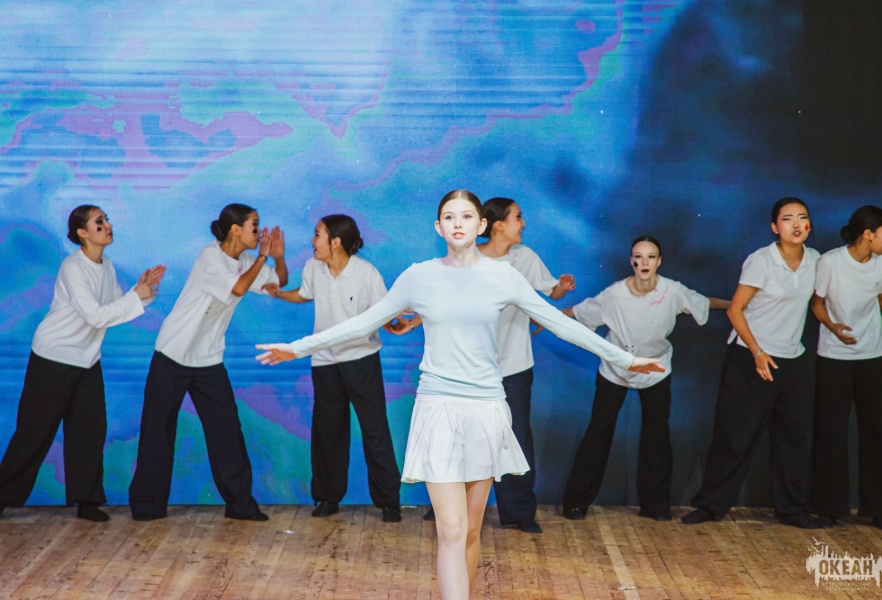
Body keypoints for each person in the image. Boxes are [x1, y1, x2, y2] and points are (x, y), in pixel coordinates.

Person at [256, 189, 664, 600]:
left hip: (486, 411)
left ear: (481, 225)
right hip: (438, 409)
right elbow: (361, 323)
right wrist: (298, 348)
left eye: (466, 216)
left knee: (469, 531)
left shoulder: (504, 276)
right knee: (450, 530)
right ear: (439, 227)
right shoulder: (419, 276)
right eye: (449, 217)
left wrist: (625, 360)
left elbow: (562, 324)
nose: (457, 223)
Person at [413, 197, 575, 533]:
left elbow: (549, 297)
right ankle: (447, 507)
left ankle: (519, 512)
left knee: (514, 438)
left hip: (513, 367)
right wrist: (412, 321)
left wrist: (560, 288)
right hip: (469, 372)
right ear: (497, 225)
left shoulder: (523, 259)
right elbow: (442, 305)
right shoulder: (467, 260)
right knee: (456, 438)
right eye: (518, 217)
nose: (523, 223)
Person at [0, 205, 164, 522]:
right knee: (34, 433)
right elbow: (95, 316)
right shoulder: (72, 268)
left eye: (107, 220)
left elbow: (115, 308)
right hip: (54, 357)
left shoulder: (107, 265)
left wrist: (140, 291)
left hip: (87, 359)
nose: (107, 225)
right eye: (99, 222)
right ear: (82, 233)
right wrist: (135, 296)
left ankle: (87, 500)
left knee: (89, 430)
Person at [129, 203, 287, 522]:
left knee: (227, 430)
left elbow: (277, 283)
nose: (259, 232)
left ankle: (240, 504)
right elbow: (238, 287)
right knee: (158, 430)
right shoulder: (210, 257)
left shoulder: (245, 261)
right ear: (235, 230)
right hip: (173, 353)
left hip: (208, 358)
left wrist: (278, 257)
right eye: (254, 225)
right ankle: (147, 506)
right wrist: (261, 257)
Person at [561, 235, 729, 522]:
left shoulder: (672, 291)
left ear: (659, 261)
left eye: (650, 257)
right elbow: (577, 311)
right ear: (632, 261)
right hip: (615, 369)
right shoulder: (615, 294)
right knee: (599, 432)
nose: (644, 262)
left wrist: (738, 304)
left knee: (656, 436)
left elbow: (704, 302)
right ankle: (576, 503)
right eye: (638, 257)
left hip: (655, 370)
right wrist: (542, 318)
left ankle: (656, 506)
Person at [681, 197, 823, 529]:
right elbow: (735, 309)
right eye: (787, 219)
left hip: (793, 360)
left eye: (802, 217)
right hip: (751, 357)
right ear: (775, 227)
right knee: (734, 436)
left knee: (794, 440)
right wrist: (758, 352)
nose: (796, 224)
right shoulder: (761, 260)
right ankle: (710, 506)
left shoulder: (816, 260)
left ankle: (793, 510)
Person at [263, 214, 403, 522]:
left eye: (318, 235)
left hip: (361, 361)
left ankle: (389, 502)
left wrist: (393, 321)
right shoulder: (313, 267)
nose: (312, 241)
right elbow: (304, 294)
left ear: (336, 242)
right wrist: (280, 293)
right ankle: (327, 498)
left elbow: (386, 311)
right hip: (324, 362)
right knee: (327, 432)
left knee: (375, 430)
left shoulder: (366, 273)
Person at [810, 205, 882, 530]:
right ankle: (827, 508)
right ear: (867, 234)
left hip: (872, 355)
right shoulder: (830, 262)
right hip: (834, 356)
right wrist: (833, 326)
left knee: (877, 431)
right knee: (830, 431)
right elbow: (817, 304)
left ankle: (881, 508)